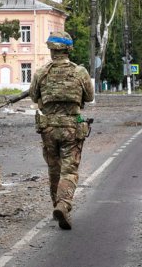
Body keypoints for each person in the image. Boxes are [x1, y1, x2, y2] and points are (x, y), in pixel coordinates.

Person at [29, 31, 95, 230]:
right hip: (71, 129)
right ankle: (63, 204)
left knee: (54, 169)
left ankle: (55, 206)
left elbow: (33, 96)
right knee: (69, 170)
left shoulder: (41, 72)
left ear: (51, 49)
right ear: (68, 49)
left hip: (48, 128)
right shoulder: (80, 72)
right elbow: (90, 97)